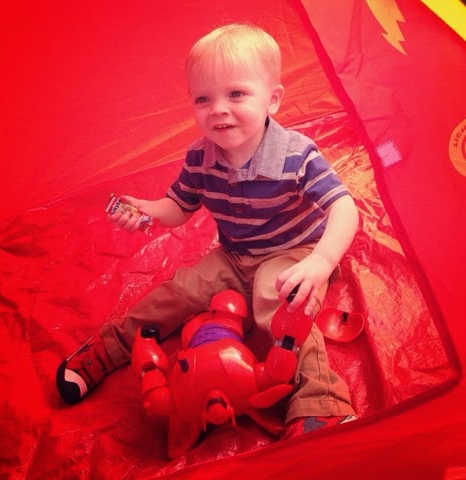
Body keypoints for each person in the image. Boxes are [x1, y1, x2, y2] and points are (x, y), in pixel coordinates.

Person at [56, 23, 359, 439]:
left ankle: (322, 402)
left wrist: (321, 261)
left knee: (279, 300)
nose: (217, 109)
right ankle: (109, 348)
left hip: (294, 252)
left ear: (272, 99)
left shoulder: (296, 155)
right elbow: (180, 207)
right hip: (234, 256)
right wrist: (148, 210)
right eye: (203, 99)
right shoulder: (200, 157)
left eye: (236, 94)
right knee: (179, 291)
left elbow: (344, 206)